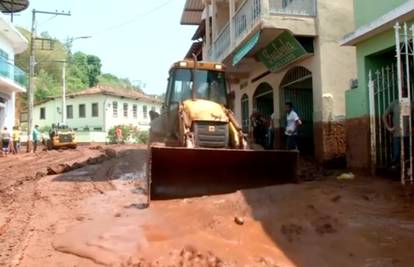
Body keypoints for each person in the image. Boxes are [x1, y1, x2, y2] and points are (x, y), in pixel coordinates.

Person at [383, 99, 412, 169]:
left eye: (404, 88)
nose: (403, 89)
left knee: (408, 155)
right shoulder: (395, 103)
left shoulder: (410, 102)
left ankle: (407, 171)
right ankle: (396, 171)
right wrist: (389, 128)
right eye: (402, 88)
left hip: (408, 134)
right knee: (396, 155)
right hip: (397, 134)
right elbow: (384, 115)